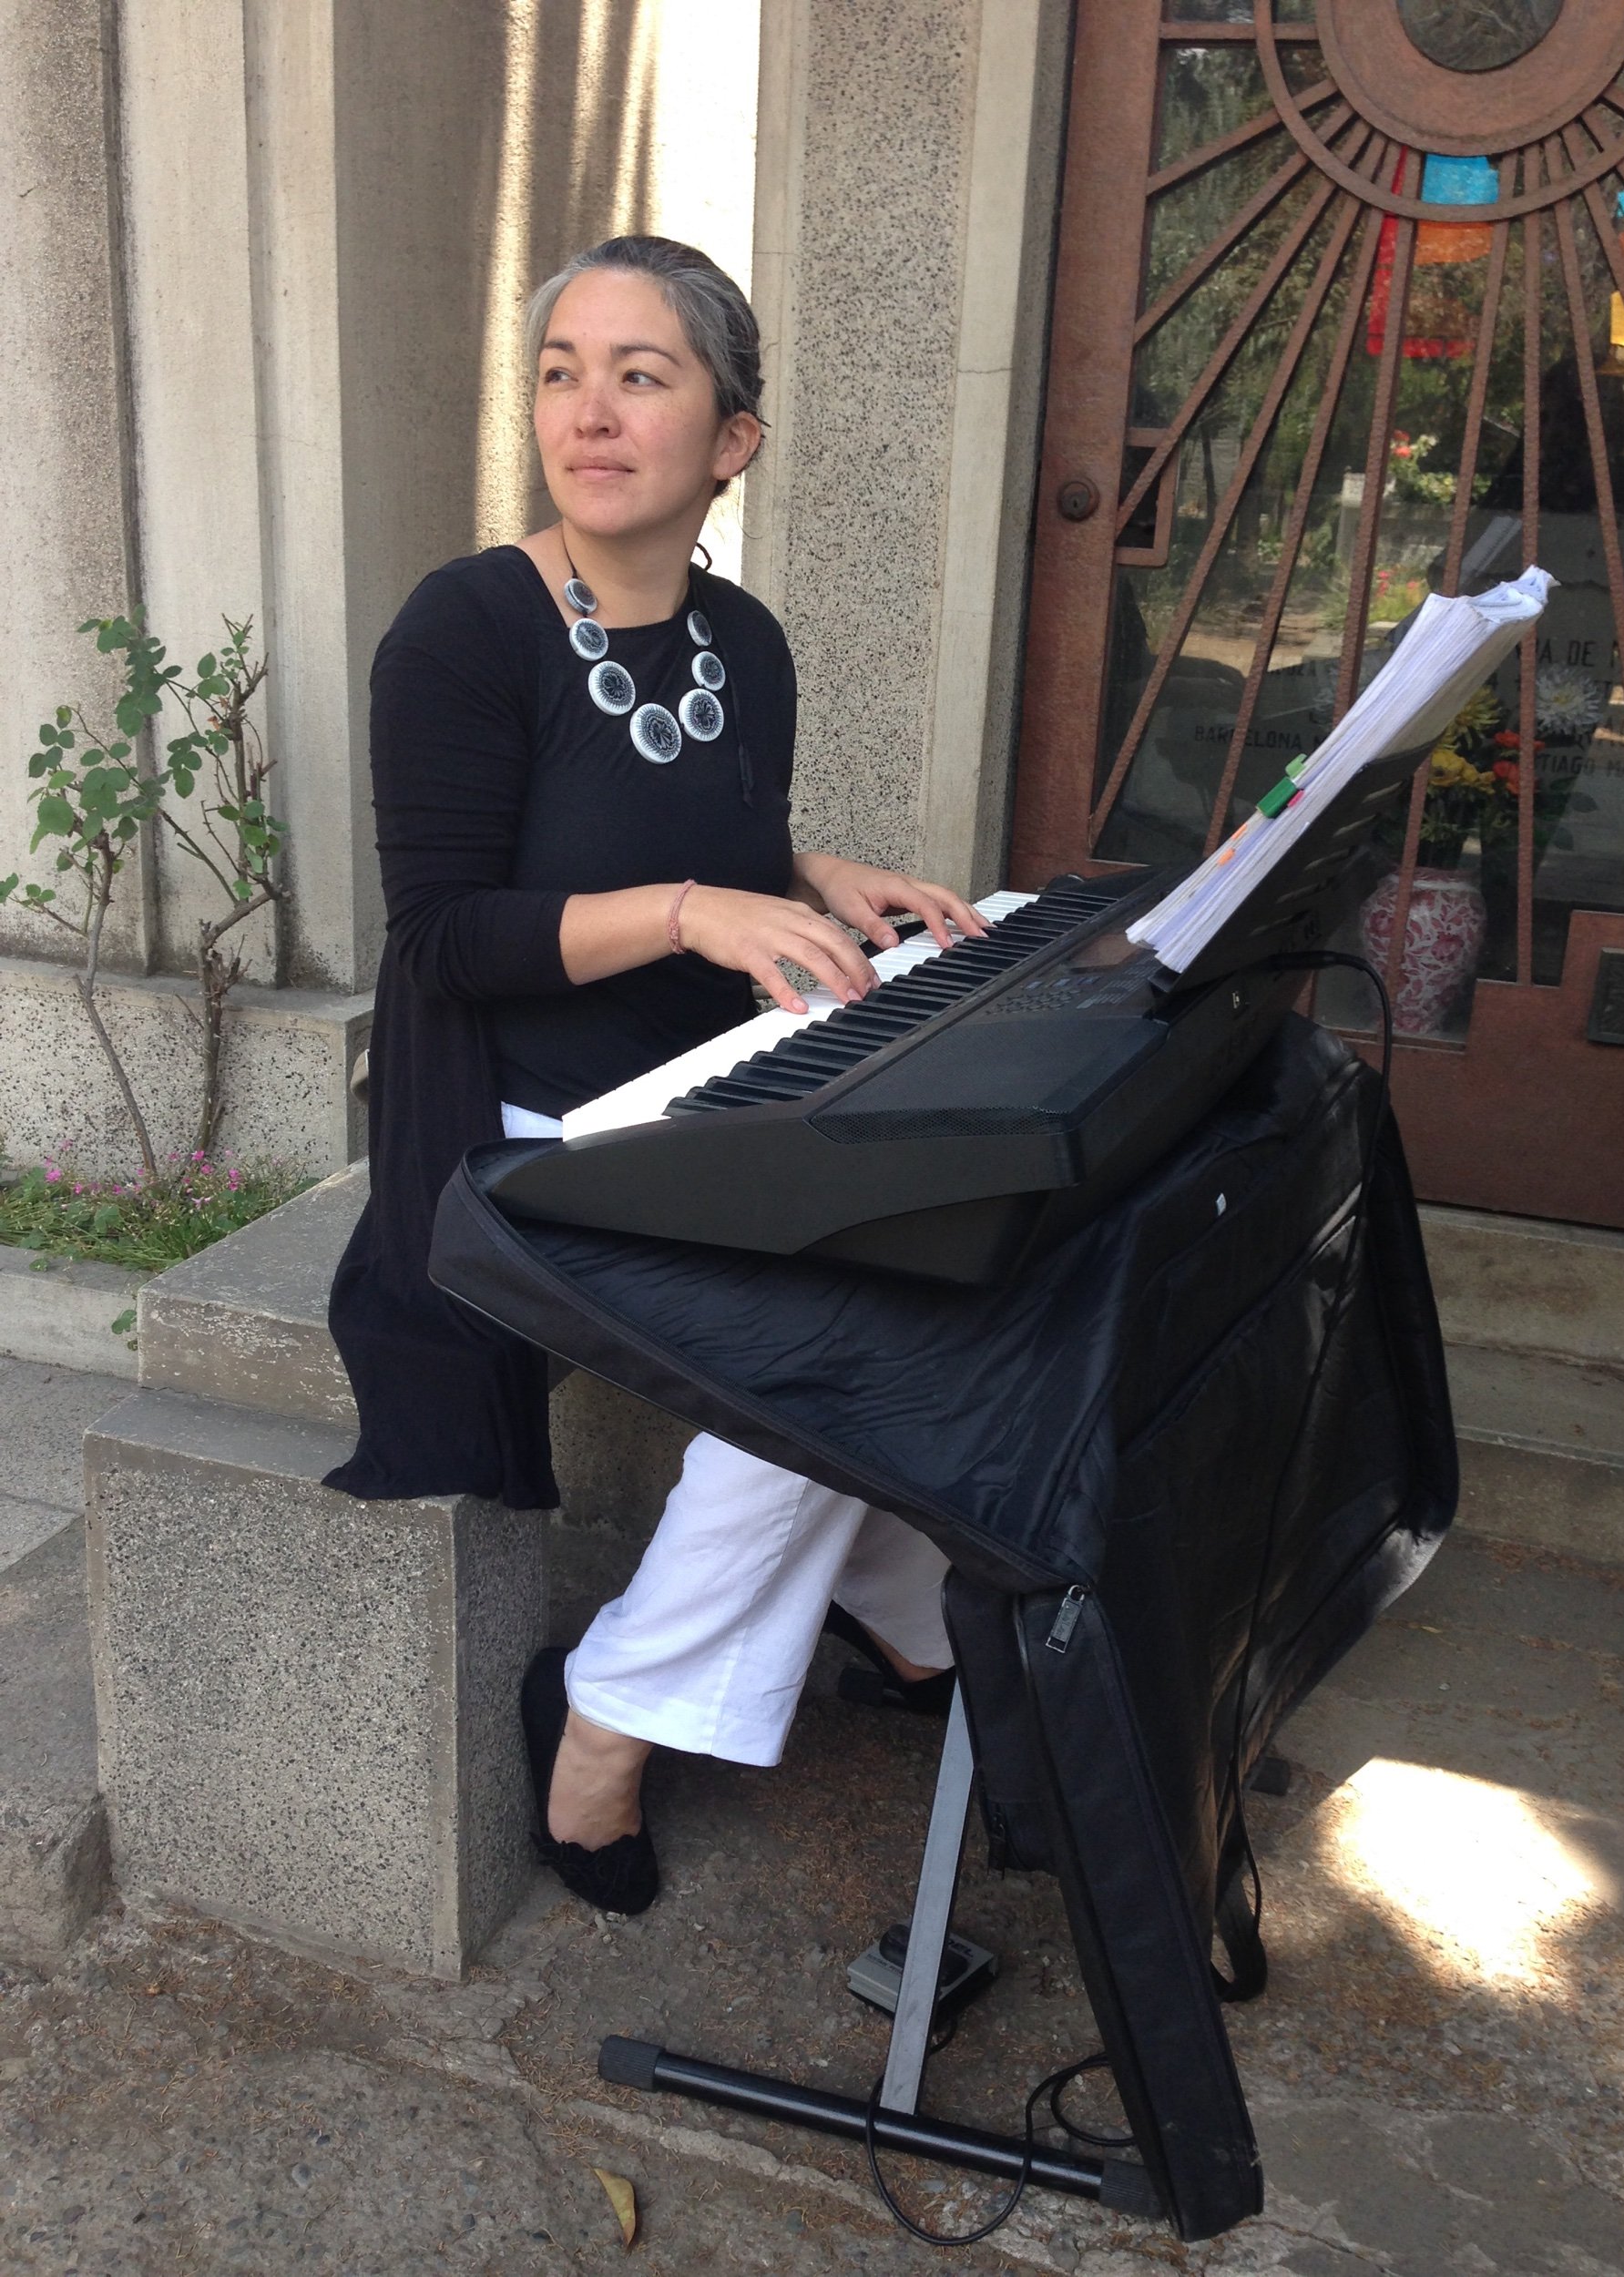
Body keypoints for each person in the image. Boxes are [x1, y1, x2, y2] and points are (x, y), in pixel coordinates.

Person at [325, 236, 984, 1916]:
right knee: (836, 1323)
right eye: (560, 370)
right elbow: (453, 935)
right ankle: (614, 1715)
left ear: (731, 439)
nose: (589, 411)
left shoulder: (742, 642)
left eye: (642, 374)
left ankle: (908, 1621)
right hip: (517, 1141)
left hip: (701, 1106)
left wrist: (814, 875)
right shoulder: (465, 632)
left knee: (933, 1256)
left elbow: (707, 832)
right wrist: (701, 908)